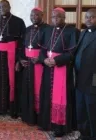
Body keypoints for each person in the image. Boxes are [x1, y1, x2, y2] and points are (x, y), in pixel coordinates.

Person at [37, 8, 79, 137]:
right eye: (53, 17)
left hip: (62, 69)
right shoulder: (47, 30)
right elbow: (42, 49)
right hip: (48, 67)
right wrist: (44, 60)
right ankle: (46, 123)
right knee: (46, 94)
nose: (55, 19)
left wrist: (56, 60)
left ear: (64, 17)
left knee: (61, 97)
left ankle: (59, 126)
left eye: (58, 17)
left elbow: (72, 53)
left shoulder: (73, 31)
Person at [0, 0, 26, 118]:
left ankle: (13, 109)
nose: (2, 8)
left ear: (9, 6)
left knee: (13, 81)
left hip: (12, 57)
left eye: (4, 6)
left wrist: (19, 60)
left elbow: (22, 43)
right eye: (0, 6)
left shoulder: (18, 22)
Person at [20, 7, 49, 125]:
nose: (34, 17)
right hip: (28, 64)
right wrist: (21, 59)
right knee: (28, 88)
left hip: (40, 65)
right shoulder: (27, 29)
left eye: (36, 15)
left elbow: (49, 48)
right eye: (32, 15)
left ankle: (39, 117)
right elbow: (22, 47)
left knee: (38, 89)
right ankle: (28, 116)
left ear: (42, 15)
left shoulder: (48, 29)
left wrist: (40, 58)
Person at [74, 8, 96, 140]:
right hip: (80, 79)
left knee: (92, 110)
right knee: (81, 109)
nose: (89, 19)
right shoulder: (82, 33)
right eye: (87, 17)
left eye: (92, 17)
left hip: (93, 80)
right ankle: (84, 134)